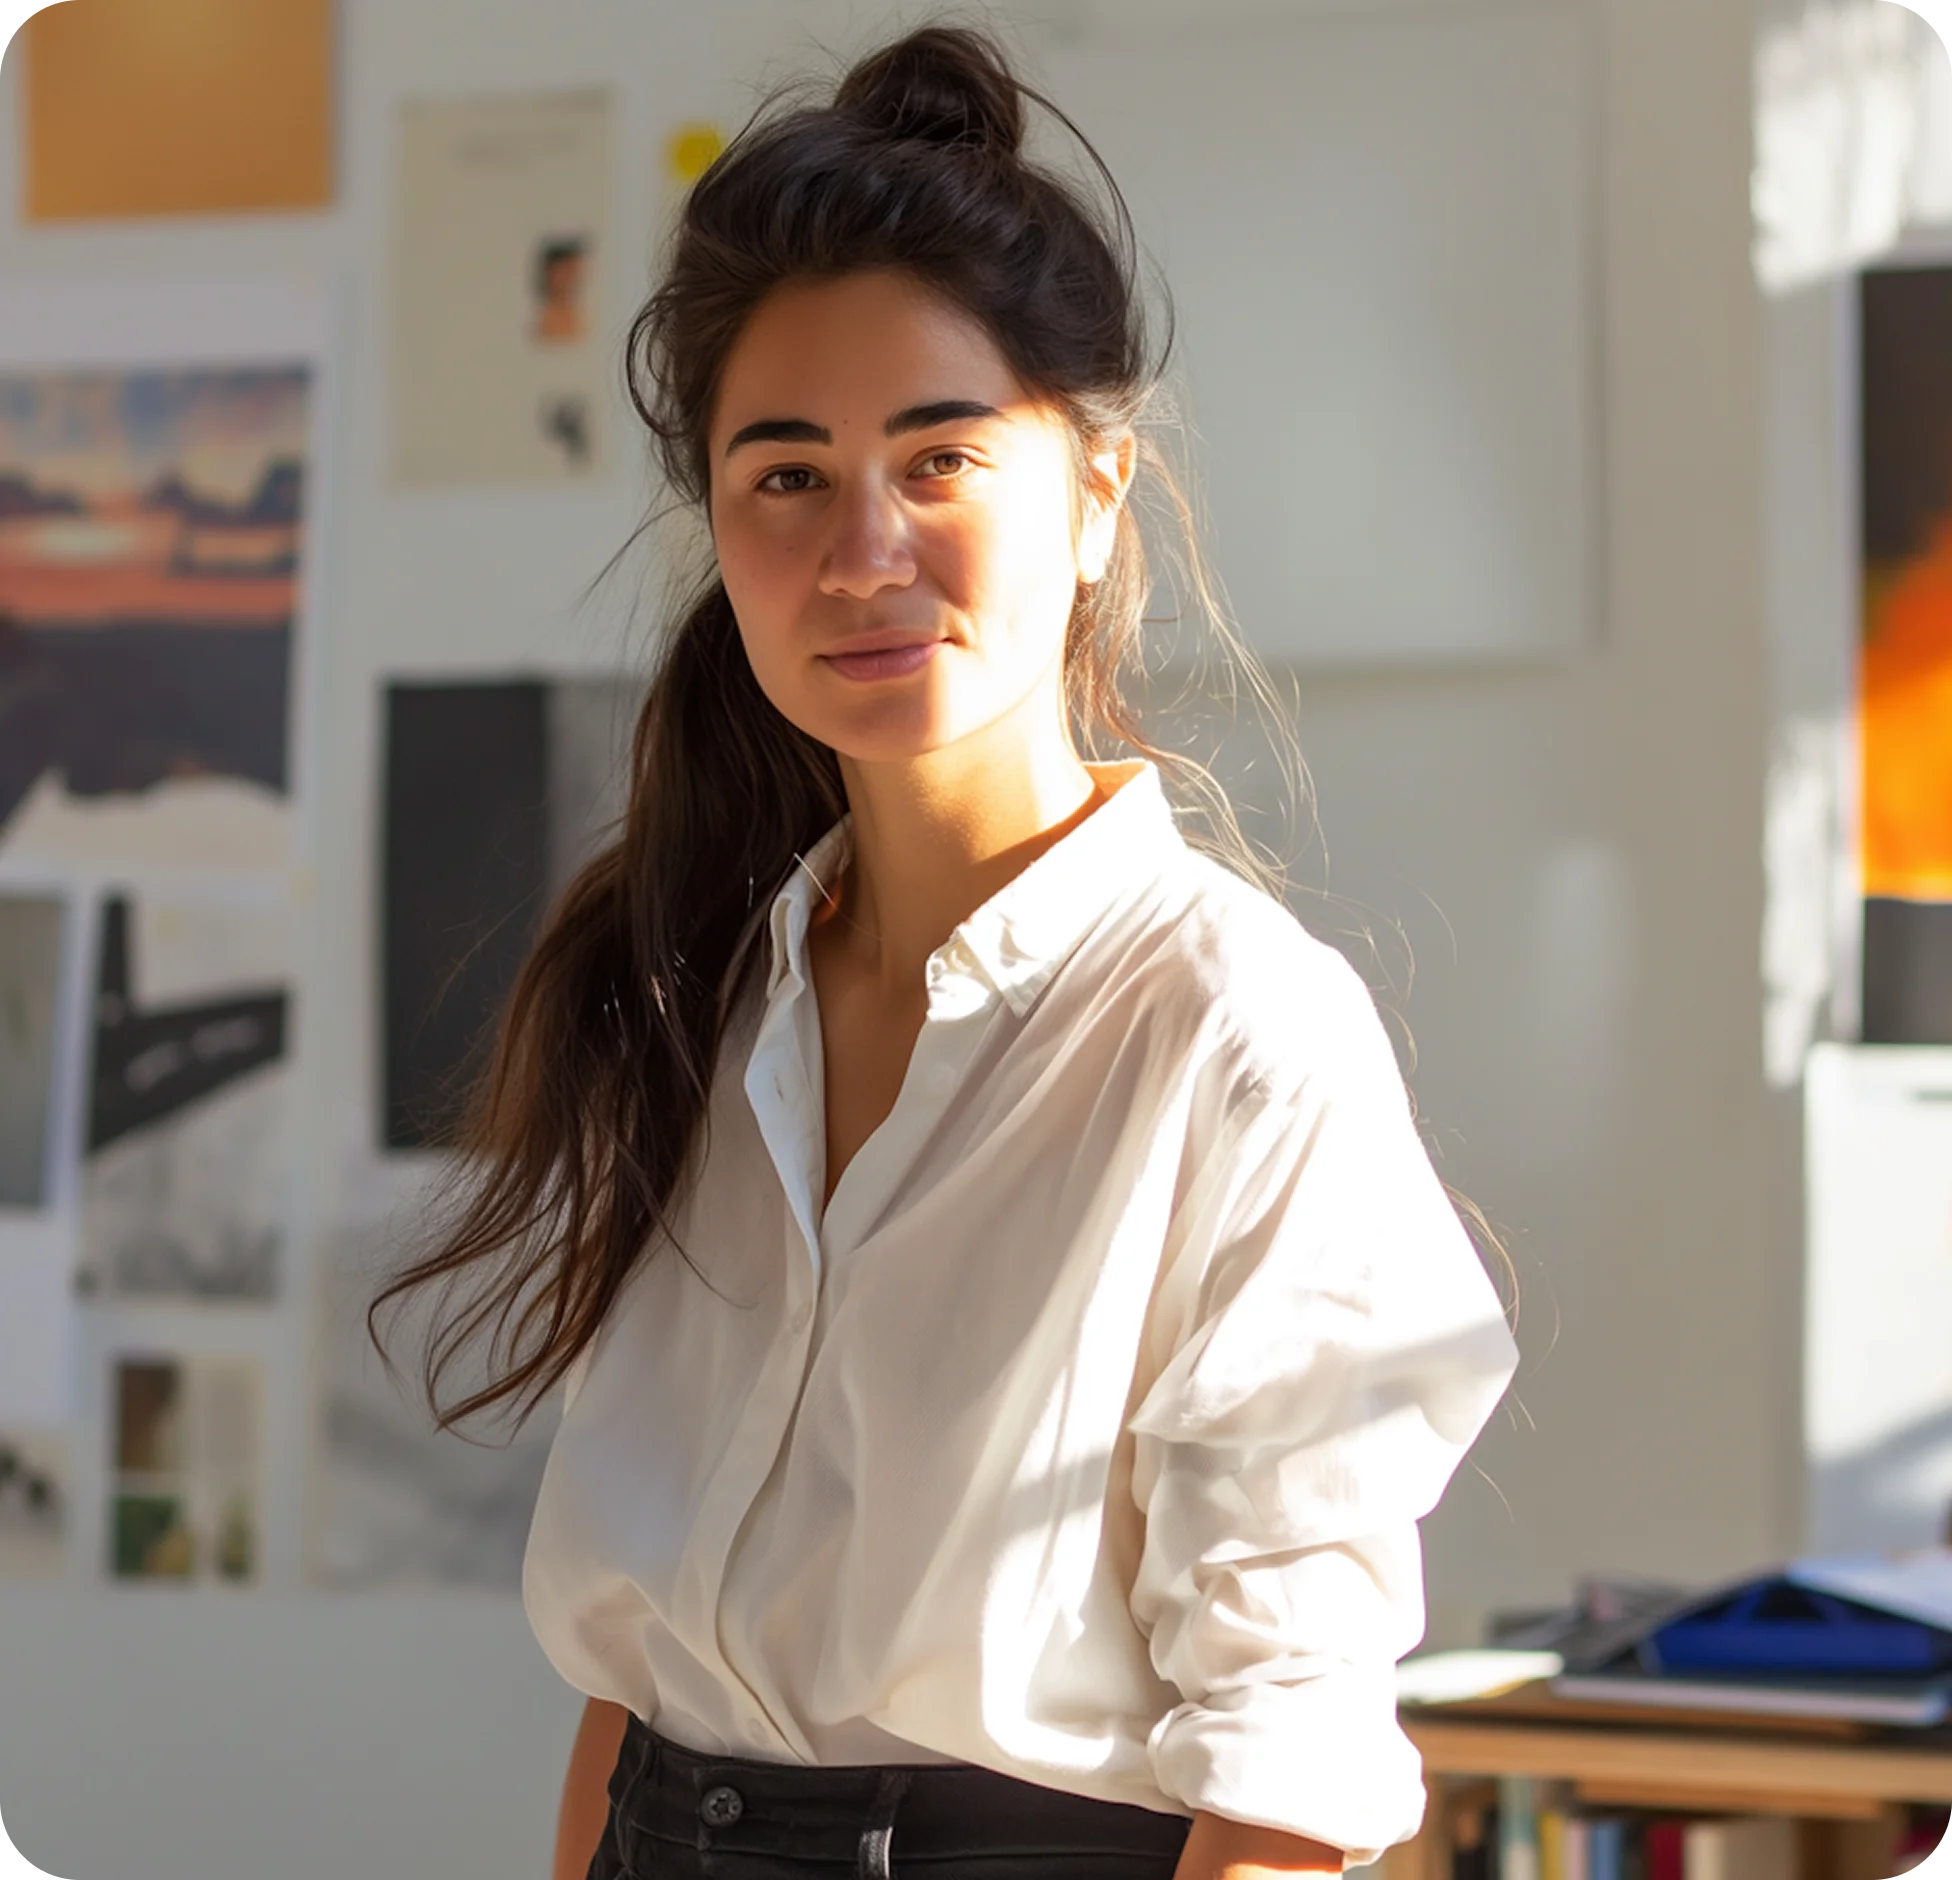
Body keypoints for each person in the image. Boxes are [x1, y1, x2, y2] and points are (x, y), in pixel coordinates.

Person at [371, 23, 1520, 1878]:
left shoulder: (1236, 1037)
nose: (863, 551)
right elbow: (643, 1682)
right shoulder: (700, 1000)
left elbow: (1290, 1780)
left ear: (1094, 498)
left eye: (942, 457)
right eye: (788, 476)